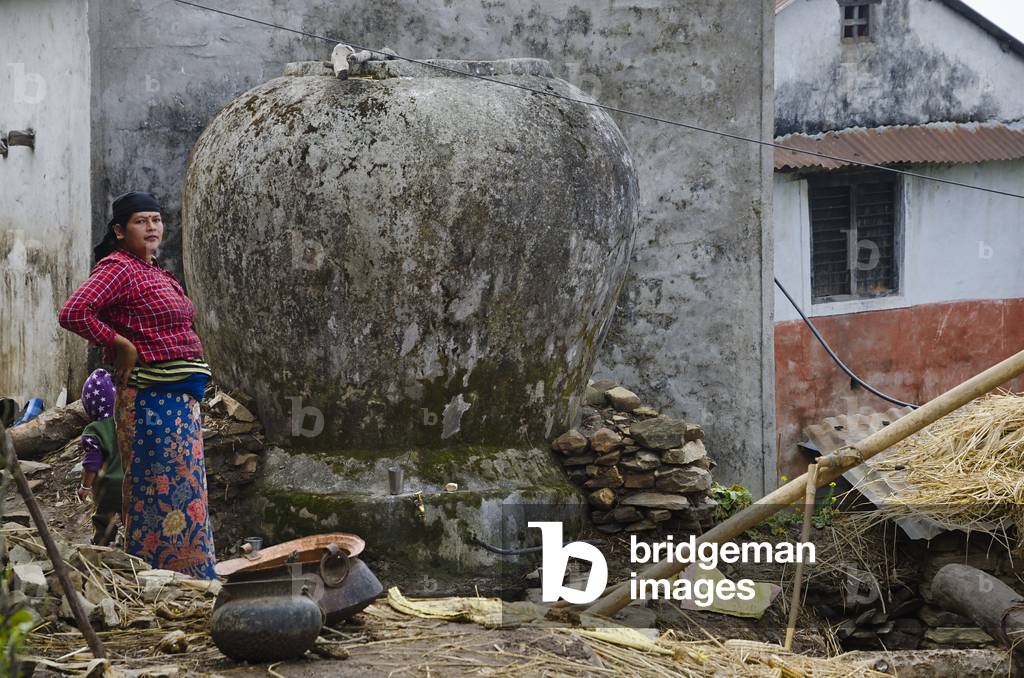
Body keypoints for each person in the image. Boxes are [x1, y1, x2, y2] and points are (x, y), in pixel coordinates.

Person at [58, 191, 217, 579]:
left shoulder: (154, 270)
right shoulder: (118, 269)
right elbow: (73, 311)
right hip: (150, 403)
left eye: (156, 220)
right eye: (140, 221)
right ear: (118, 230)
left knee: (185, 490)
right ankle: (157, 573)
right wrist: (120, 344)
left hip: (178, 403)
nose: (151, 227)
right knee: (158, 489)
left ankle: (192, 574)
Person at [77, 368, 123, 546]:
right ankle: (133, 545)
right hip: (131, 484)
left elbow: (92, 463)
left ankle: (101, 546)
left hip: (107, 489)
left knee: (103, 519)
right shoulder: (125, 421)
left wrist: (85, 487)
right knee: (131, 517)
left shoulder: (93, 430)